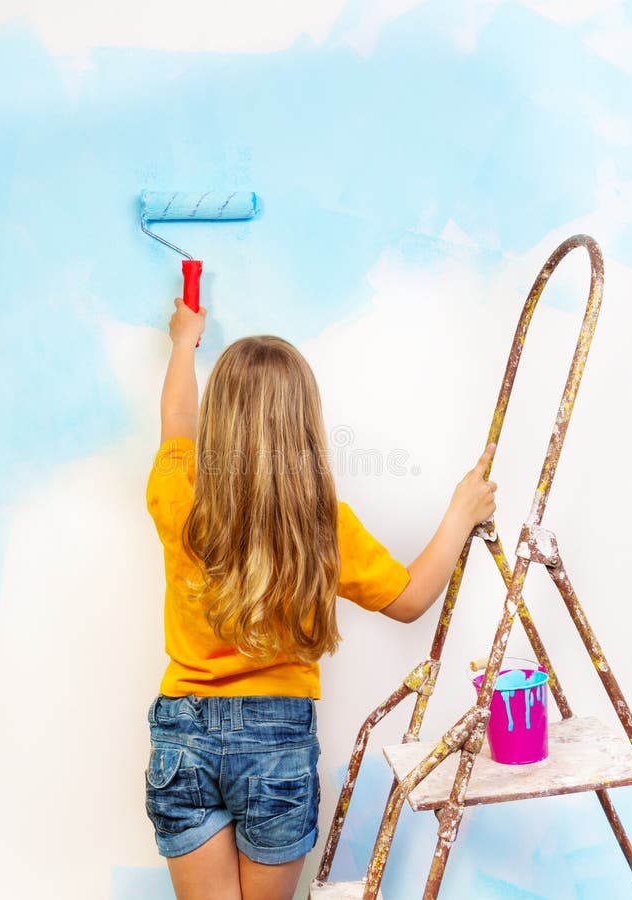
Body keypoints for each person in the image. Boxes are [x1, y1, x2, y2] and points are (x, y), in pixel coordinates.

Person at [144, 298, 497, 900]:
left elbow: (177, 423)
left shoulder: (181, 499)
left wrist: (184, 342)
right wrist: (459, 515)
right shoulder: (321, 524)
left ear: (220, 423)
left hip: (184, 735)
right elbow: (410, 599)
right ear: (304, 425)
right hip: (277, 744)